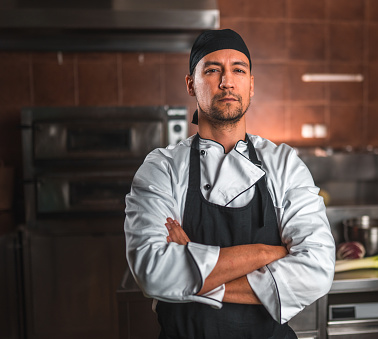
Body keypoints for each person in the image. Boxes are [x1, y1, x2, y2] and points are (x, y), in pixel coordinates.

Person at [124, 28, 336, 339]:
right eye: (212, 70)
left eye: (239, 69)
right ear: (190, 85)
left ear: (251, 85)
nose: (227, 81)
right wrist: (269, 253)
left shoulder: (284, 164)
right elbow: (154, 273)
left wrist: (195, 274)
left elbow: (317, 271)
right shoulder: (162, 168)